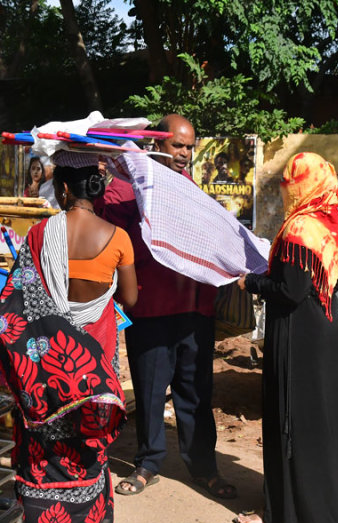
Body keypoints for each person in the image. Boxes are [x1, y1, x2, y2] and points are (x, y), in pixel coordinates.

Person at [0, 151, 137, 523]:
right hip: (95, 359)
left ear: (65, 188)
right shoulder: (118, 238)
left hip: (44, 363)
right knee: (90, 440)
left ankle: (42, 516)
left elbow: (15, 296)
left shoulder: (40, 234)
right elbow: (131, 300)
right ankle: (90, 518)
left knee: (43, 440)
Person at [101, 113, 236, 499]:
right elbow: (111, 233)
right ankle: (148, 464)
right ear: (157, 144)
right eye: (178, 145)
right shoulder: (128, 189)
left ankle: (204, 467)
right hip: (150, 309)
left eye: (190, 147)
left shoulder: (193, 190)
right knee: (148, 391)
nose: (185, 154)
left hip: (195, 310)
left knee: (196, 393)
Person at [234, 152, 338, 523]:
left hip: (298, 337)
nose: (287, 190)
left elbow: (290, 291)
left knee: (290, 421)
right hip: (325, 331)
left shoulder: (299, 229)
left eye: (290, 183)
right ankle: (329, 510)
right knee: (323, 423)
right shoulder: (332, 225)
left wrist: (250, 281)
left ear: (303, 186)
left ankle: (286, 514)